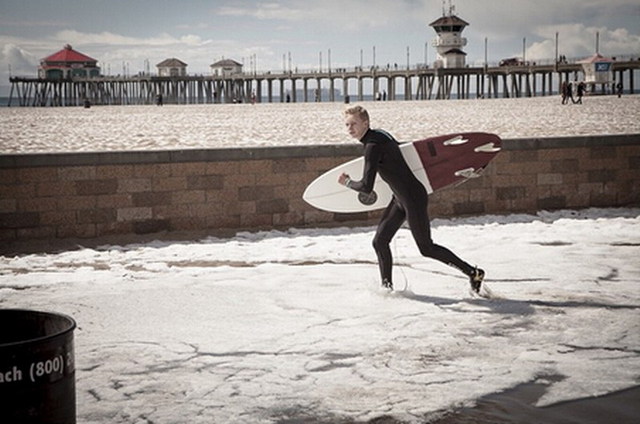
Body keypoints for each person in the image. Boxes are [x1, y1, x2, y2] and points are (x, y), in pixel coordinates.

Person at [338, 105, 485, 293]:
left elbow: (366, 187)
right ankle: (387, 288)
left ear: (365, 123)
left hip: (412, 198)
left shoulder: (372, 146)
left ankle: (473, 272)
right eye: (347, 125)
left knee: (426, 248)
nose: (350, 129)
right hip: (400, 198)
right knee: (380, 242)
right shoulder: (382, 135)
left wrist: (348, 182)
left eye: (354, 124)